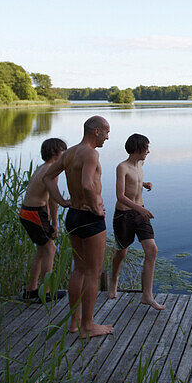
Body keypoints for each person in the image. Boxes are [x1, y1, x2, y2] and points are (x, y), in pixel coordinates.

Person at [56, 115, 114, 337]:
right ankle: (88, 326)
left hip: (73, 215)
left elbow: (48, 178)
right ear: (96, 131)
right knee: (93, 271)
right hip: (90, 218)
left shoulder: (69, 153)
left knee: (79, 268)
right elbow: (87, 185)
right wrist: (96, 208)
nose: (108, 137)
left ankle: (74, 323)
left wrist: (63, 202)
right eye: (107, 132)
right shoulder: (91, 153)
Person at [107, 133, 163, 310]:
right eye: (146, 148)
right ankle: (113, 280)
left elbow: (135, 182)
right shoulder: (121, 167)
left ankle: (147, 295)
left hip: (140, 213)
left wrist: (144, 184)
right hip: (124, 215)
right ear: (137, 148)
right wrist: (140, 209)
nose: (148, 151)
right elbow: (120, 196)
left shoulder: (141, 163)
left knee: (152, 250)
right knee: (121, 252)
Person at [17, 137, 70, 302]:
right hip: (34, 213)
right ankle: (46, 292)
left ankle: (30, 289)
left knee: (41, 250)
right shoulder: (52, 171)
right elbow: (54, 199)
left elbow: (45, 197)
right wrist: (55, 224)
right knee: (50, 249)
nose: (65, 153)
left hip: (27, 211)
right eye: (63, 150)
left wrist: (47, 219)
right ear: (55, 152)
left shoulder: (41, 167)